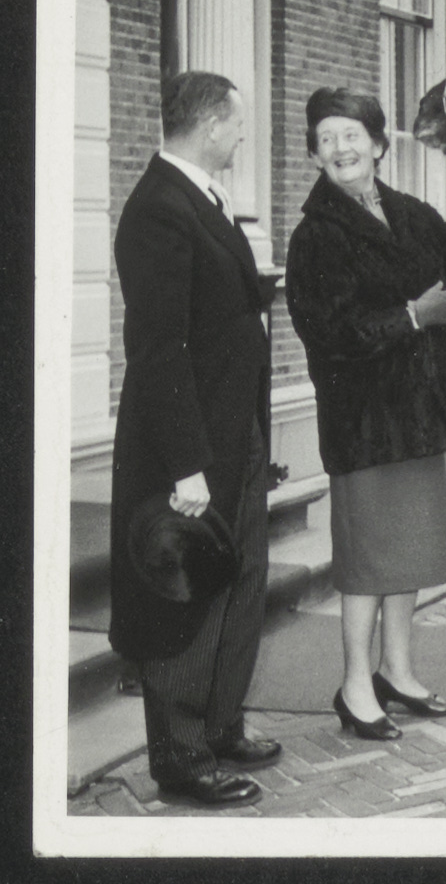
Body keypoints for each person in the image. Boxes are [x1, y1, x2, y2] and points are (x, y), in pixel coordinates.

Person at [286, 87, 446, 740]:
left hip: (417, 415)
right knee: (368, 561)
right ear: (315, 155)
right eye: (327, 139)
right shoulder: (315, 236)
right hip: (365, 423)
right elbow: (329, 334)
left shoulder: (408, 213)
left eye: (352, 135)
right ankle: (355, 687)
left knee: (407, 553)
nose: (341, 148)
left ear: (379, 145)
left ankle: (397, 671)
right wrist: (411, 316)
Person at [109, 71, 275, 807]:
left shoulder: (203, 198)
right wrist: (186, 467)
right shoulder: (159, 209)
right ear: (209, 126)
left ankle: (219, 725)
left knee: (242, 579)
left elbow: (217, 311)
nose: (241, 136)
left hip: (235, 431)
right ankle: (179, 758)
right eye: (237, 124)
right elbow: (157, 349)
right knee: (188, 592)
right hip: (190, 446)